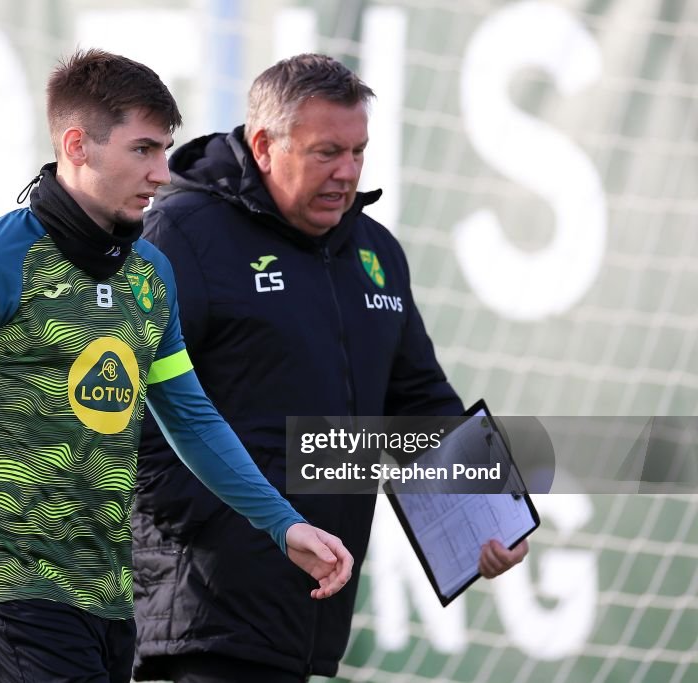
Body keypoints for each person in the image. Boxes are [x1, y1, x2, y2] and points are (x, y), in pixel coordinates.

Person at [0, 49, 355, 682]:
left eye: (165, 150)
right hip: (9, 586)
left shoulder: (150, 275)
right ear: (77, 145)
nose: (162, 173)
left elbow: (192, 420)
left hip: (111, 600)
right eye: (143, 150)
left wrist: (283, 526)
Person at [132, 53, 529, 682]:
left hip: (311, 614)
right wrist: (237, 529)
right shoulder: (182, 235)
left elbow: (417, 401)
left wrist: (483, 508)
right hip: (205, 614)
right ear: (264, 146)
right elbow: (126, 418)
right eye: (326, 153)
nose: (347, 173)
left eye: (359, 152)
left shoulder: (374, 251)